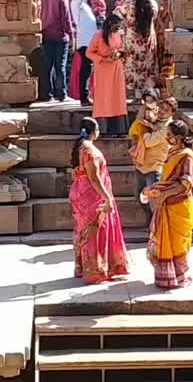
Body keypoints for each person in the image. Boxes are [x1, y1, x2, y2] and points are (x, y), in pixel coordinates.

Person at [69, 117, 131, 284]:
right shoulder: (90, 151)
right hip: (92, 195)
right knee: (96, 231)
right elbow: (94, 178)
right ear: (94, 132)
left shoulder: (79, 147)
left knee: (84, 231)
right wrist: (107, 198)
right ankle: (95, 271)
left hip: (80, 193)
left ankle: (85, 268)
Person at [143, 120, 193, 289]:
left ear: (179, 137)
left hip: (178, 205)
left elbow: (186, 183)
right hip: (166, 204)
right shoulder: (173, 152)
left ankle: (179, 277)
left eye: (169, 135)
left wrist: (164, 193)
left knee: (177, 243)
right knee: (164, 242)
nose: (167, 138)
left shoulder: (187, 155)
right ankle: (166, 278)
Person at [133, 98, 177, 221]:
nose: (162, 111)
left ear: (171, 113)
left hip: (155, 166)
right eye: (161, 107)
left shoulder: (167, 128)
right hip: (141, 163)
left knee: (154, 198)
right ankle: (151, 218)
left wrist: (144, 130)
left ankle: (157, 223)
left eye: (166, 110)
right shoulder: (153, 119)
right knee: (139, 196)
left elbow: (148, 142)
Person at [115, 0, 159, 98]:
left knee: (133, 67)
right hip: (147, 40)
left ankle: (137, 94)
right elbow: (155, 16)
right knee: (147, 66)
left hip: (132, 42)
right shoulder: (152, 4)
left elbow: (116, 15)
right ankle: (148, 93)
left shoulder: (128, 5)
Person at [86, 14, 128, 135]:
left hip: (116, 69)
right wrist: (103, 59)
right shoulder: (98, 35)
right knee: (103, 98)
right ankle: (102, 129)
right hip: (103, 70)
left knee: (117, 97)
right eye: (116, 26)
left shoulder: (118, 34)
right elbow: (89, 53)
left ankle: (119, 129)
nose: (118, 28)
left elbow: (121, 48)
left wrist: (118, 54)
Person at [41, 0, 75, 101]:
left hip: (46, 35)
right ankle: (61, 93)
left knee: (47, 66)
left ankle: (46, 94)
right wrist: (71, 36)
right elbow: (66, 19)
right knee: (60, 66)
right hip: (60, 36)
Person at [69, 0, 98, 105]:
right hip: (85, 44)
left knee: (86, 71)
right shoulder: (78, 6)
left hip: (88, 43)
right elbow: (75, 1)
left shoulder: (85, 7)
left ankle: (85, 96)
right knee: (85, 71)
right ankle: (84, 97)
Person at [127, 88, 160, 167]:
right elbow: (139, 119)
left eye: (151, 101)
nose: (149, 103)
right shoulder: (144, 107)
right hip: (140, 129)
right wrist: (150, 125)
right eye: (147, 101)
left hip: (151, 130)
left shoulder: (158, 107)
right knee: (140, 147)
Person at [155, 0, 172, 89]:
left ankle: (166, 86)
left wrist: (159, 18)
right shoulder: (161, 11)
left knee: (166, 63)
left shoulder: (169, 12)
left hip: (165, 40)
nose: (159, 0)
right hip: (159, 39)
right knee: (159, 62)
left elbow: (165, 26)